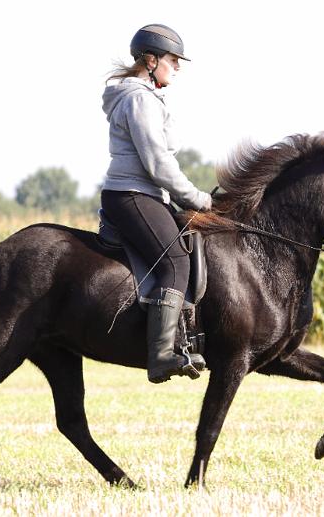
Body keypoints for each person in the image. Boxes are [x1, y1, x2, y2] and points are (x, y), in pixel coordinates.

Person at [100, 24, 212, 384]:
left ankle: (183, 337)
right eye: (172, 60)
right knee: (176, 262)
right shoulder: (139, 99)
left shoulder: (144, 96)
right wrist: (198, 199)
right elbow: (158, 163)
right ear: (151, 60)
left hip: (143, 194)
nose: (176, 67)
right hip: (133, 194)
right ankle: (162, 355)